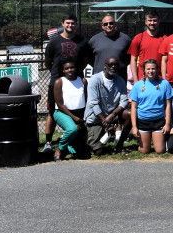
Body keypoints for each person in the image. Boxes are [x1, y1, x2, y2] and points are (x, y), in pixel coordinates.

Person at [43, 15, 92, 153]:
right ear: (62, 24)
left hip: (76, 81)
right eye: (68, 23)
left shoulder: (82, 41)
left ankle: (75, 139)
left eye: (73, 23)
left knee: (79, 109)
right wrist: (57, 74)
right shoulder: (54, 42)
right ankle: (48, 142)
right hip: (56, 81)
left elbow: (86, 59)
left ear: (76, 24)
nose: (70, 25)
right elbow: (48, 62)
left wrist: (75, 74)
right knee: (52, 112)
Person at [84, 56, 130, 156]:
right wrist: (104, 121)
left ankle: (119, 145)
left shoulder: (120, 80)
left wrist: (112, 115)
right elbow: (93, 103)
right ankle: (107, 135)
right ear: (105, 66)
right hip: (95, 118)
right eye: (110, 64)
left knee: (129, 114)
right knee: (98, 152)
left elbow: (124, 101)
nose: (113, 67)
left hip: (110, 115)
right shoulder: (95, 80)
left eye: (116, 65)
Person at [129, 58, 173, 154]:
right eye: (148, 69)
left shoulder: (164, 83)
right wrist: (134, 126)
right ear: (144, 70)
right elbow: (133, 107)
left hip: (158, 120)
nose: (151, 71)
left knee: (160, 150)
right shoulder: (138, 85)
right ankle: (143, 144)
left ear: (157, 69)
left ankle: (161, 141)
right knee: (144, 151)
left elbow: (168, 105)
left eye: (153, 69)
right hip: (143, 121)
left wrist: (167, 124)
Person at [52, 56, 87, 160]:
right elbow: (60, 104)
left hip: (79, 113)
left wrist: (82, 118)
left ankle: (69, 145)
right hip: (62, 112)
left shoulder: (83, 81)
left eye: (72, 67)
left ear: (76, 68)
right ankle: (60, 148)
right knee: (72, 129)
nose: (69, 70)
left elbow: (86, 100)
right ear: (63, 70)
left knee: (80, 152)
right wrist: (75, 118)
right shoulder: (59, 82)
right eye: (66, 68)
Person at [87, 14, 131, 80]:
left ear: (115, 24)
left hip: (119, 79)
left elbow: (130, 58)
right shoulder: (94, 40)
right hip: (99, 80)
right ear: (102, 26)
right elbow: (89, 58)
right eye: (105, 24)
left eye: (111, 23)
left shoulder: (125, 39)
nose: (108, 25)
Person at [128, 10, 163, 85]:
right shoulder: (138, 38)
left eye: (155, 20)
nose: (152, 23)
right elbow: (133, 60)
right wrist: (135, 79)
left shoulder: (165, 39)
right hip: (142, 80)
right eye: (149, 20)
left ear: (159, 22)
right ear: (145, 22)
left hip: (160, 80)